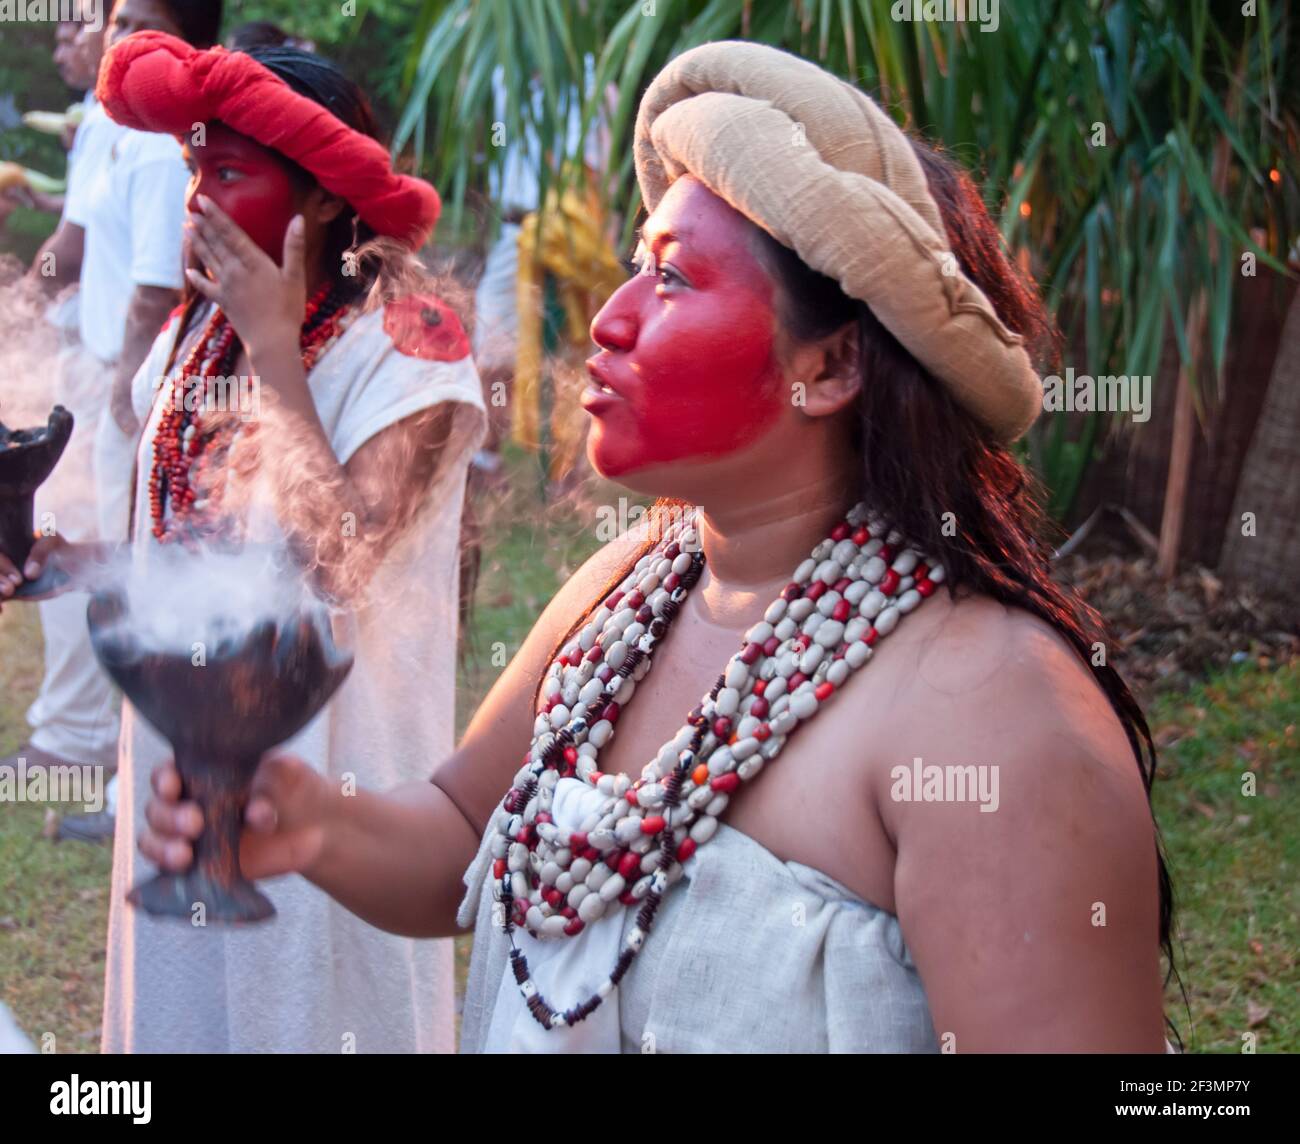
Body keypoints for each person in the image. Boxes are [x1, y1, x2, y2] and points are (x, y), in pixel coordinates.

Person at [136, 41, 1176, 1052]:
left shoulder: (992, 715)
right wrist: (308, 821)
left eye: (671, 279)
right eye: (635, 264)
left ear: (835, 362)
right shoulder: (626, 590)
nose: (609, 318)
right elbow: (460, 828)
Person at [4, 33, 484, 1053]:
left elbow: (340, 554)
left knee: (310, 1014)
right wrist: (66, 560)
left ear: (318, 197)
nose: (194, 201)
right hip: (180, 749)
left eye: (226, 172)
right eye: (190, 169)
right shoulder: (200, 327)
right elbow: (193, 546)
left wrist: (275, 351)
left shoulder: (413, 340)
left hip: (329, 767)